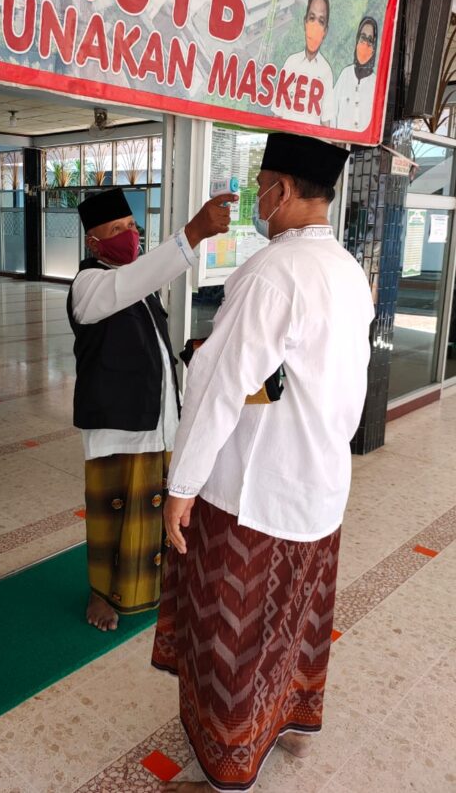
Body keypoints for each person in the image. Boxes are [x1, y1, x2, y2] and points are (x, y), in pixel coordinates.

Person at [151, 133, 375, 792]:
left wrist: (181, 485)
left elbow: (220, 384)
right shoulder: (345, 269)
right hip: (319, 483)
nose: (256, 199)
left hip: (254, 494)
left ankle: (226, 768)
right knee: (293, 621)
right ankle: (292, 723)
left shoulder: (270, 272)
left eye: (260, 186)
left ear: (280, 190)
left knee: (236, 633)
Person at [68, 187, 233, 633]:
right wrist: (193, 233)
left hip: (158, 420)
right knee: (113, 519)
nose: (129, 234)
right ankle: (101, 594)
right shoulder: (90, 283)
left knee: (152, 512)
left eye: (132, 226)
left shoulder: (141, 286)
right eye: (117, 229)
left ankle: (148, 590)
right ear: (93, 241)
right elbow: (129, 282)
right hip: (115, 424)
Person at [272, 0, 334, 126]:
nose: (315, 25)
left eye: (321, 21)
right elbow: (277, 114)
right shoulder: (290, 63)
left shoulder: (326, 72)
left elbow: (326, 124)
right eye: (312, 18)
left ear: (325, 31)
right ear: (305, 22)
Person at [333, 16, 378, 131]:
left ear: (374, 47)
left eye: (370, 40)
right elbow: (332, 111)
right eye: (362, 37)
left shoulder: (376, 85)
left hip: (361, 148)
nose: (365, 43)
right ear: (357, 40)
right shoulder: (345, 75)